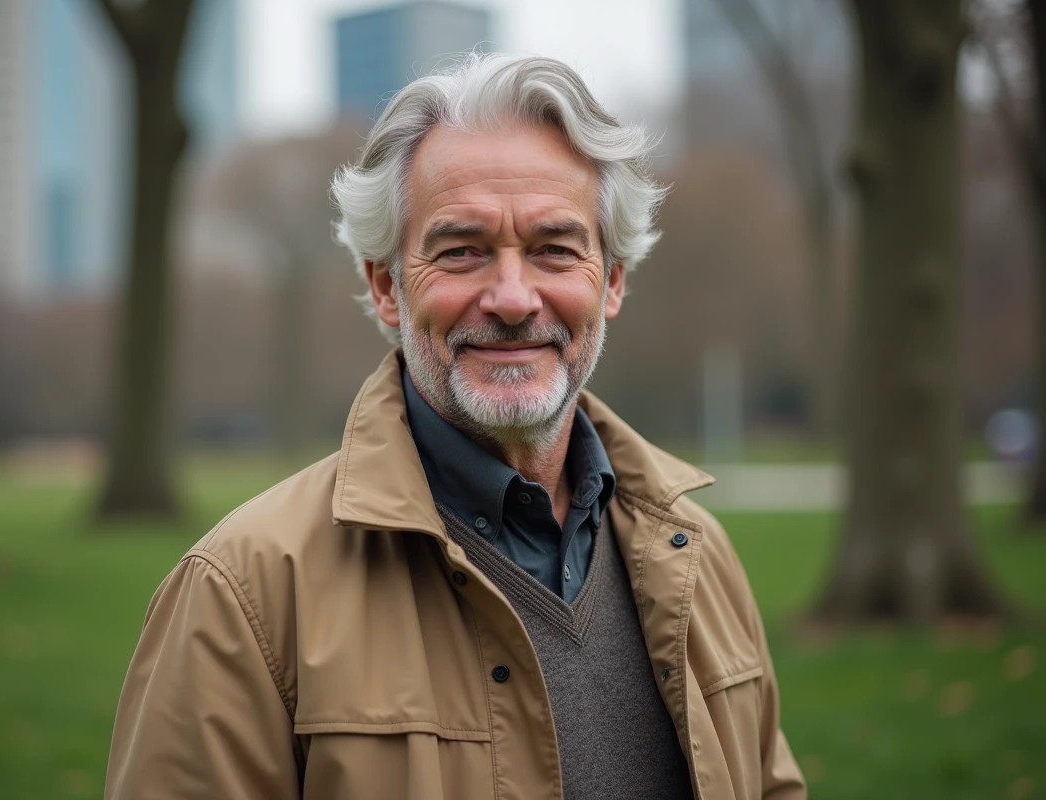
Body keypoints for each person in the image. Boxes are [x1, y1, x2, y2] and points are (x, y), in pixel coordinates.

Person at [104, 53, 806, 800]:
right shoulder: (241, 595)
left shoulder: (700, 557)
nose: (511, 298)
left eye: (554, 249)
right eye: (462, 250)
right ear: (385, 286)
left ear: (613, 280)